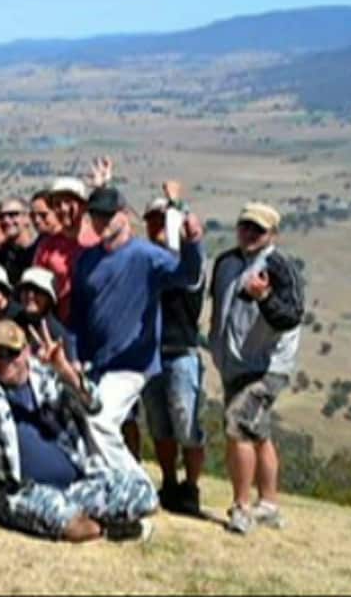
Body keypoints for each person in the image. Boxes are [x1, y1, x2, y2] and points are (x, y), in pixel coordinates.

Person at [0, 320, 158, 543]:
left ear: (25, 352)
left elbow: (94, 406)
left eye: (11, 353)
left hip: (76, 484)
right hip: (21, 493)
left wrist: (65, 370)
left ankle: (96, 516)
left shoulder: (48, 379)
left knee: (145, 495)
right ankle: (108, 527)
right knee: (76, 527)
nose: (4, 362)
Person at [70, 186, 204, 480]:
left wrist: (193, 243)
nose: (100, 223)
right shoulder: (86, 261)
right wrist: (75, 357)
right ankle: (108, 491)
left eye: (107, 216)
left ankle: (137, 485)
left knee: (101, 422)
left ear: (124, 215)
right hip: (96, 364)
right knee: (86, 427)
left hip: (134, 363)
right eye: (94, 217)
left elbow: (188, 276)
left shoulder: (147, 256)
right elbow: (78, 315)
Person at [209, 202, 303, 535]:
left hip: (268, 366)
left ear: (272, 234)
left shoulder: (280, 266)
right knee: (257, 432)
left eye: (257, 230)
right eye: (244, 226)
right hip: (233, 362)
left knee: (237, 426)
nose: (249, 234)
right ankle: (270, 505)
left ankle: (242, 507)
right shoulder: (225, 262)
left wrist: (263, 298)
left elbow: (291, 316)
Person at [136, 194, 208, 516]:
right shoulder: (150, 265)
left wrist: (178, 207)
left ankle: (191, 487)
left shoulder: (187, 265)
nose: (157, 226)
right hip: (151, 355)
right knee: (160, 425)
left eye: (162, 220)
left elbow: (192, 263)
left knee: (186, 423)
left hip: (180, 352)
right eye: (152, 220)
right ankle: (168, 482)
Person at [32, 177, 91, 323]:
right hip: (64, 323)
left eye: (69, 202)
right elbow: (36, 286)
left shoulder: (99, 239)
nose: (63, 209)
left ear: (83, 206)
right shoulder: (47, 247)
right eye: (57, 204)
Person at [13, 267, 75, 360]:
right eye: (26, 289)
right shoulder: (11, 323)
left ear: (48, 298)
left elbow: (73, 371)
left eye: (37, 290)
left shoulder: (58, 335)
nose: (30, 295)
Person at [0, 197, 41, 283]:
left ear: (27, 218)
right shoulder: (2, 254)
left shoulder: (41, 249)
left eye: (12, 215)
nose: (6, 220)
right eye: (1, 216)